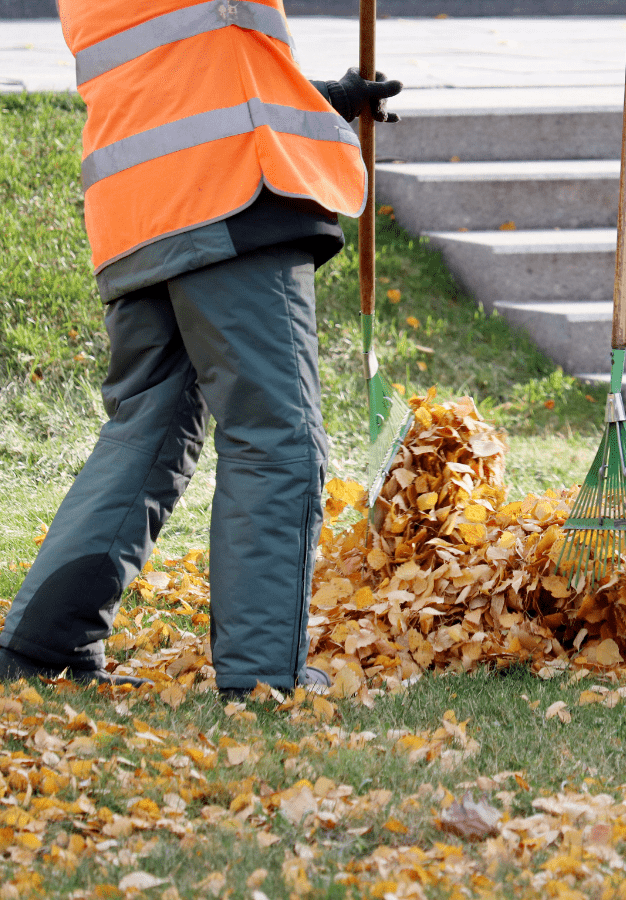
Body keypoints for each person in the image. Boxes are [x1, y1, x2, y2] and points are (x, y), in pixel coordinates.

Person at [0, 0, 400, 695]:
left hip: (138, 202)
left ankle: (43, 646)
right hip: (226, 189)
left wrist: (303, 99)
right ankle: (262, 680)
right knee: (278, 434)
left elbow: (186, 50)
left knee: (147, 431)